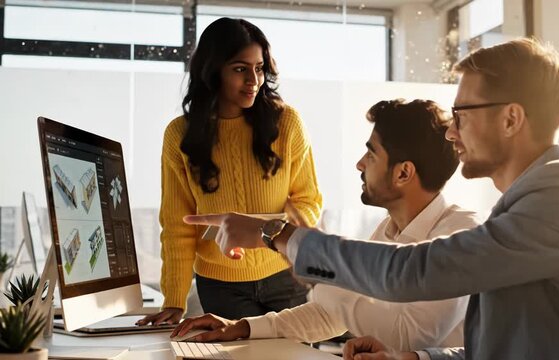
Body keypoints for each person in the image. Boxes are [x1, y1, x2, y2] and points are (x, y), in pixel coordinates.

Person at [184, 38, 559, 360]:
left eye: (462, 113)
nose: (450, 128)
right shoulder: (530, 204)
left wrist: (275, 234)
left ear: (511, 119)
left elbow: (412, 273)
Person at [171, 99, 481, 353]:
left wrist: (313, 263)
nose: (360, 163)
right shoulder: (389, 231)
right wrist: (241, 327)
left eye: (372, 153)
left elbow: (408, 339)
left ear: (403, 173)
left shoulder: (459, 233)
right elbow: (331, 313)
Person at [137, 17, 322, 326]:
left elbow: (309, 203)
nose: (254, 80)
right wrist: (174, 299)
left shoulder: (287, 123)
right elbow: (177, 225)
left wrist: (261, 233)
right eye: (240, 69)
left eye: (259, 68)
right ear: (213, 71)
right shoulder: (179, 135)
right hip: (220, 287)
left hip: (285, 278)